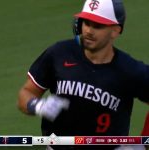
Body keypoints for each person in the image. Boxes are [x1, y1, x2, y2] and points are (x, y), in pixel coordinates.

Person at [18, 0, 149, 149]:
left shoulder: (130, 70)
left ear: (115, 30)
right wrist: (36, 105)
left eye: (97, 26)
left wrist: (144, 143)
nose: (88, 31)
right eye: (86, 23)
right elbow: (27, 92)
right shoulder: (59, 53)